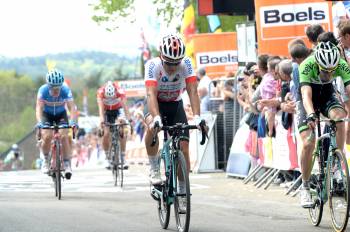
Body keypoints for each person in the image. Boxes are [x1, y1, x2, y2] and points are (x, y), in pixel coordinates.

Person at [143, 34, 204, 189]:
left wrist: (197, 117)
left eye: (176, 63)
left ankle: (183, 190)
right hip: (155, 103)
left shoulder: (187, 64)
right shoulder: (152, 65)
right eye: (169, 63)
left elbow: (192, 91)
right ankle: (154, 168)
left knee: (184, 148)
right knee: (152, 126)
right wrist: (156, 117)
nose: (173, 67)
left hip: (175, 105)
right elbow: (150, 93)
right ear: (161, 57)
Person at [297, 41, 350, 208]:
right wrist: (312, 115)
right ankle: (304, 186)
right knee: (308, 142)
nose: (328, 74)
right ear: (317, 63)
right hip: (309, 99)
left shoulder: (341, 64)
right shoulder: (306, 65)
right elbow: (306, 95)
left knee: (340, 116)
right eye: (325, 70)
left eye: (332, 71)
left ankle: (336, 160)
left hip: (327, 96)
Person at [36, 69, 77, 179]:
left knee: (64, 136)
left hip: (61, 115)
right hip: (47, 115)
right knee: (47, 136)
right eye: (54, 88)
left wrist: (73, 121)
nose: (57, 90)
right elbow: (39, 107)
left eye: (58, 87)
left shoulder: (65, 89)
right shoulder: (43, 90)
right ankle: (45, 159)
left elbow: (72, 107)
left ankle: (67, 163)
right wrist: (40, 122)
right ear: (49, 86)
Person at [97, 80, 132, 170]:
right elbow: (101, 110)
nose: (110, 100)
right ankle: (107, 157)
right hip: (106, 112)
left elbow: (125, 107)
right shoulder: (100, 92)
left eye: (112, 97)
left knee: (121, 127)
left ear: (115, 92)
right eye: (108, 98)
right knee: (106, 133)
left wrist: (129, 120)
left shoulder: (120, 91)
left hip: (118, 110)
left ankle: (123, 158)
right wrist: (101, 121)